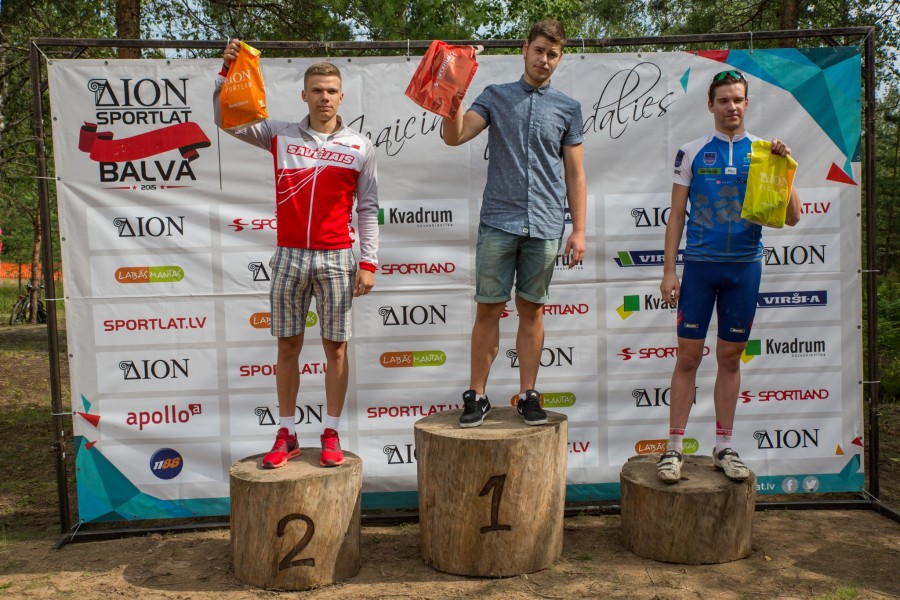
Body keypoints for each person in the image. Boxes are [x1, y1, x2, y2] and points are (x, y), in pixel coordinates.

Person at [213, 39, 379, 468]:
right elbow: (228, 121)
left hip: (337, 257)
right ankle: (285, 432)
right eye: (317, 90)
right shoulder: (280, 133)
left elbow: (368, 208)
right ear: (304, 95)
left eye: (332, 91)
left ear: (342, 97)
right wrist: (227, 74)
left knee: (336, 350)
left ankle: (331, 432)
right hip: (289, 255)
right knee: (288, 348)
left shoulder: (360, 146)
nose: (325, 97)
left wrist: (368, 262)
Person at [656, 69, 801, 483]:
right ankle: (673, 448)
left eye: (737, 99)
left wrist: (784, 166)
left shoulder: (765, 151)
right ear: (711, 105)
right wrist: (669, 271)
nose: (731, 107)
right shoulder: (692, 152)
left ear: (746, 104)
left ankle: (723, 445)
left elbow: (793, 217)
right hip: (700, 267)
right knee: (688, 357)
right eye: (723, 100)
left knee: (729, 357)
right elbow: (676, 216)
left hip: (744, 268)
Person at [442, 19, 587, 428]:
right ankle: (477, 395)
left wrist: (579, 230)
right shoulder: (495, 95)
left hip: (545, 225)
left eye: (552, 54)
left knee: (532, 312)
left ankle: (528, 395)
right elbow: (454, 136)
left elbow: (575, 174)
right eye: (539, 50)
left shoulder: (568, 108)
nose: (544, 59)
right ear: (525, 49)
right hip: (498, 221)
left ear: (560, 58)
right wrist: (451, 99)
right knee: (488, 310)